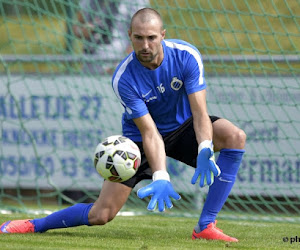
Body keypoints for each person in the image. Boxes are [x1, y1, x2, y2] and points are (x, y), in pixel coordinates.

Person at [0, 8, 246, 242]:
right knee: (101, 214)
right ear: (130, 36)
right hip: (140, 140)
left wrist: (204, 146)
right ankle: (36, 224)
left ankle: (205, 226)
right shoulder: (124, 77)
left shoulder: (186, 56)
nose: (145, 45)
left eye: (151, 37)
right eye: (138, 38)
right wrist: (160, 175)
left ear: (163, 35)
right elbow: (149, 132)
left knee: (234, 136)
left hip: (184, 128)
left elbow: (200, 112)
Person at [73, 0, 149, 74]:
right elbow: (76, 27)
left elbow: (142, 38)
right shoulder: (89, 2)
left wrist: (120, 66)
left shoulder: (136, 2)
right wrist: (83, 31)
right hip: (90, 69)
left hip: (118, 70)